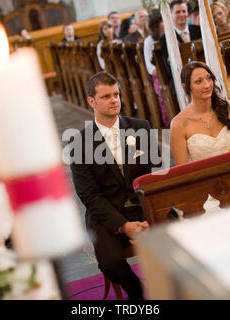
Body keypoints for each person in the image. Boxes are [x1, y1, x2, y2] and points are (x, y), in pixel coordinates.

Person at [69, 72, 159, 300]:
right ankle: (137, 293)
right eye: (107, 96)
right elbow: (89, 196)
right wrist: (123, 226)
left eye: (116, 94)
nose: (114, 100)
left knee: (177, 235)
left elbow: (150, 177)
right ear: (92, 101)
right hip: (107, 214)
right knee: (111, 262)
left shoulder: (141, 127)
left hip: (141, 206)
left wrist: (149, 215)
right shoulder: (79, 143)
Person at [170, 62, 230, 164]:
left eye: (209, 78)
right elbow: (183, 173)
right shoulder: (178, 124)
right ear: (185, 87)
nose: (207, 85)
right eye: (199, 82)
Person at [160, 1, 202, 79]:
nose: (182, 14)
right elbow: (169, 69)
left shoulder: (198, 30)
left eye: (184, 11)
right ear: (171, 15)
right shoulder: (165, 39)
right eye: (178, 12)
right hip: (182, 78)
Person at [144, 9, 169, 126]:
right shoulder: (149, 41)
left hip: (171, 71)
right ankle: (168, 120)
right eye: (162, 21)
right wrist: (159, 72)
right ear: (156, 24)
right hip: (158, 74)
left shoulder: (170, 35)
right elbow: (149, 65)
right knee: (163, 91)